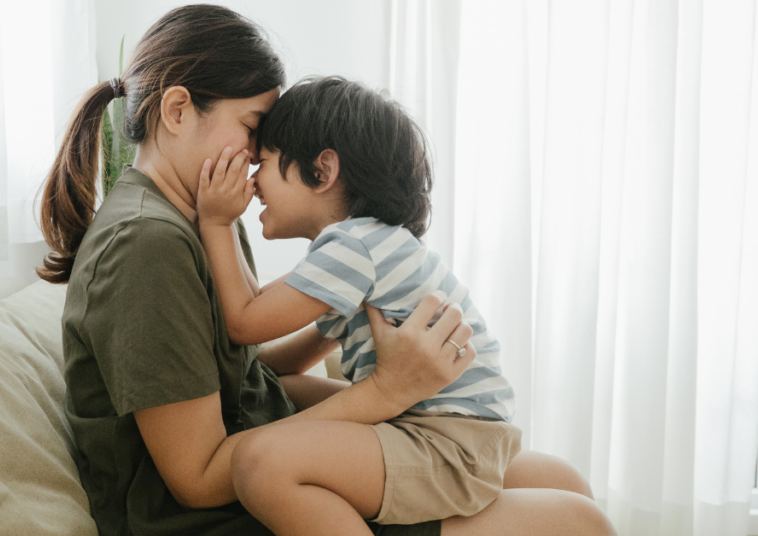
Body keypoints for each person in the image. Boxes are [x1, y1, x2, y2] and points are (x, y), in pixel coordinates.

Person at [37, 4, 615, 536]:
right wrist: (388, 390)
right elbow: (196, 478)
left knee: (562, 479)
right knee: (578, 520)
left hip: (272, 449)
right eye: (252, 128)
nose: (258, 161)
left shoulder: (204, 212)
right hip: (222, 511)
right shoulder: (147, 245)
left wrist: (336, 323)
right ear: (178, 110)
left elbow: (233, 370)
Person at [196, 76, 524, 535]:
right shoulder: (367, 246)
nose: (253, 182)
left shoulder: (350, 248)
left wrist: (215, 221)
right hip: (457, 427)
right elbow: (263, 322)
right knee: (285, 391)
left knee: (261, 464)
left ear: (322, 170)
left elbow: (245, 323)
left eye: (264, 163)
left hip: (447, 439)